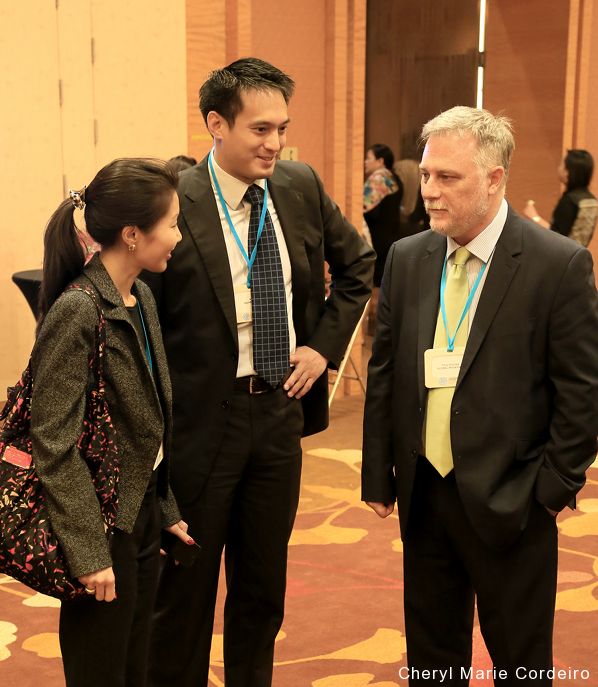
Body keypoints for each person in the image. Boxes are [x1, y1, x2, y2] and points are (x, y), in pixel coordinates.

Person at [145, 57, 374, 687]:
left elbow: (358, 267)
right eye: (260, 130)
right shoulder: (176, 199)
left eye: (282, 128)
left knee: (262, 590)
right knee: (185, 592)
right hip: (200, 424)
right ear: (216, 125)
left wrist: (323, 348)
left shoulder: (298, 185)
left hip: (278, 414)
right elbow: (148, 320)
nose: (275, 143)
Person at [362, 106, 598, 685]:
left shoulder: (556, 264)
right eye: (426, 176)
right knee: (432, 661)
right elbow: (386, 370)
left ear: (495, 179)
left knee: (521, 661)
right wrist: (379, 473)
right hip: (426, 493)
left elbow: (583, 392)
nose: (430, 193)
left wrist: (551, 489)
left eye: (448, 178)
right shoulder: (408, 256)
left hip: (514, 497)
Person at [30, 158, 191, 686]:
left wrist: (163, 508)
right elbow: (53, 443)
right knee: (100, 671)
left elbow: (143, 426)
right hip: (98, 528)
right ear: (131, 234)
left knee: (134, 668)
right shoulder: (77, 310)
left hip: (137, 514)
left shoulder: (139, 294)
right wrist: (88, 551)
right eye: (170, 224)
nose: (177, 236)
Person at [523, 149, 598, 246]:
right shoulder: (591, 200)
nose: (559, 168)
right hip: (580, 257)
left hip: (565, 258)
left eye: (562, 165)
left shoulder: (570, 201)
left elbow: (557, 236)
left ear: (567, 172)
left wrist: (534, 217)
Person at [363, 143, 404, 287]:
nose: (365, 162)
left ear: (380, 161)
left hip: (378, 238)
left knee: (376, 280)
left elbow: (362, 207)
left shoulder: (379, 178)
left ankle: (373, 309)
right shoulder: (394, 177)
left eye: (368, 158)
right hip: (390, 234)